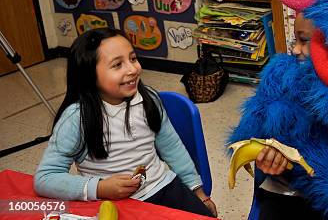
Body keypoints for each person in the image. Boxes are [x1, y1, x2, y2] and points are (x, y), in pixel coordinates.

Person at [34, 28, 217, 217]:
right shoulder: (76, 118)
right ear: (89, 74)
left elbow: (172, 147)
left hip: (165, 189)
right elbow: (45, 178)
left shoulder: (149, 99)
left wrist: (198, 192)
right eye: (117, 65)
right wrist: (100, 188)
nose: (132, 69)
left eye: (133, 58)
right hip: (112, 205)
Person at [254, 12, 320, 219]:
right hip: (286, 193)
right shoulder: (279, 77)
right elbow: (251, 134)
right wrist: (266, 155)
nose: (295, 49)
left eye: (304, 40)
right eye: (295, 40)